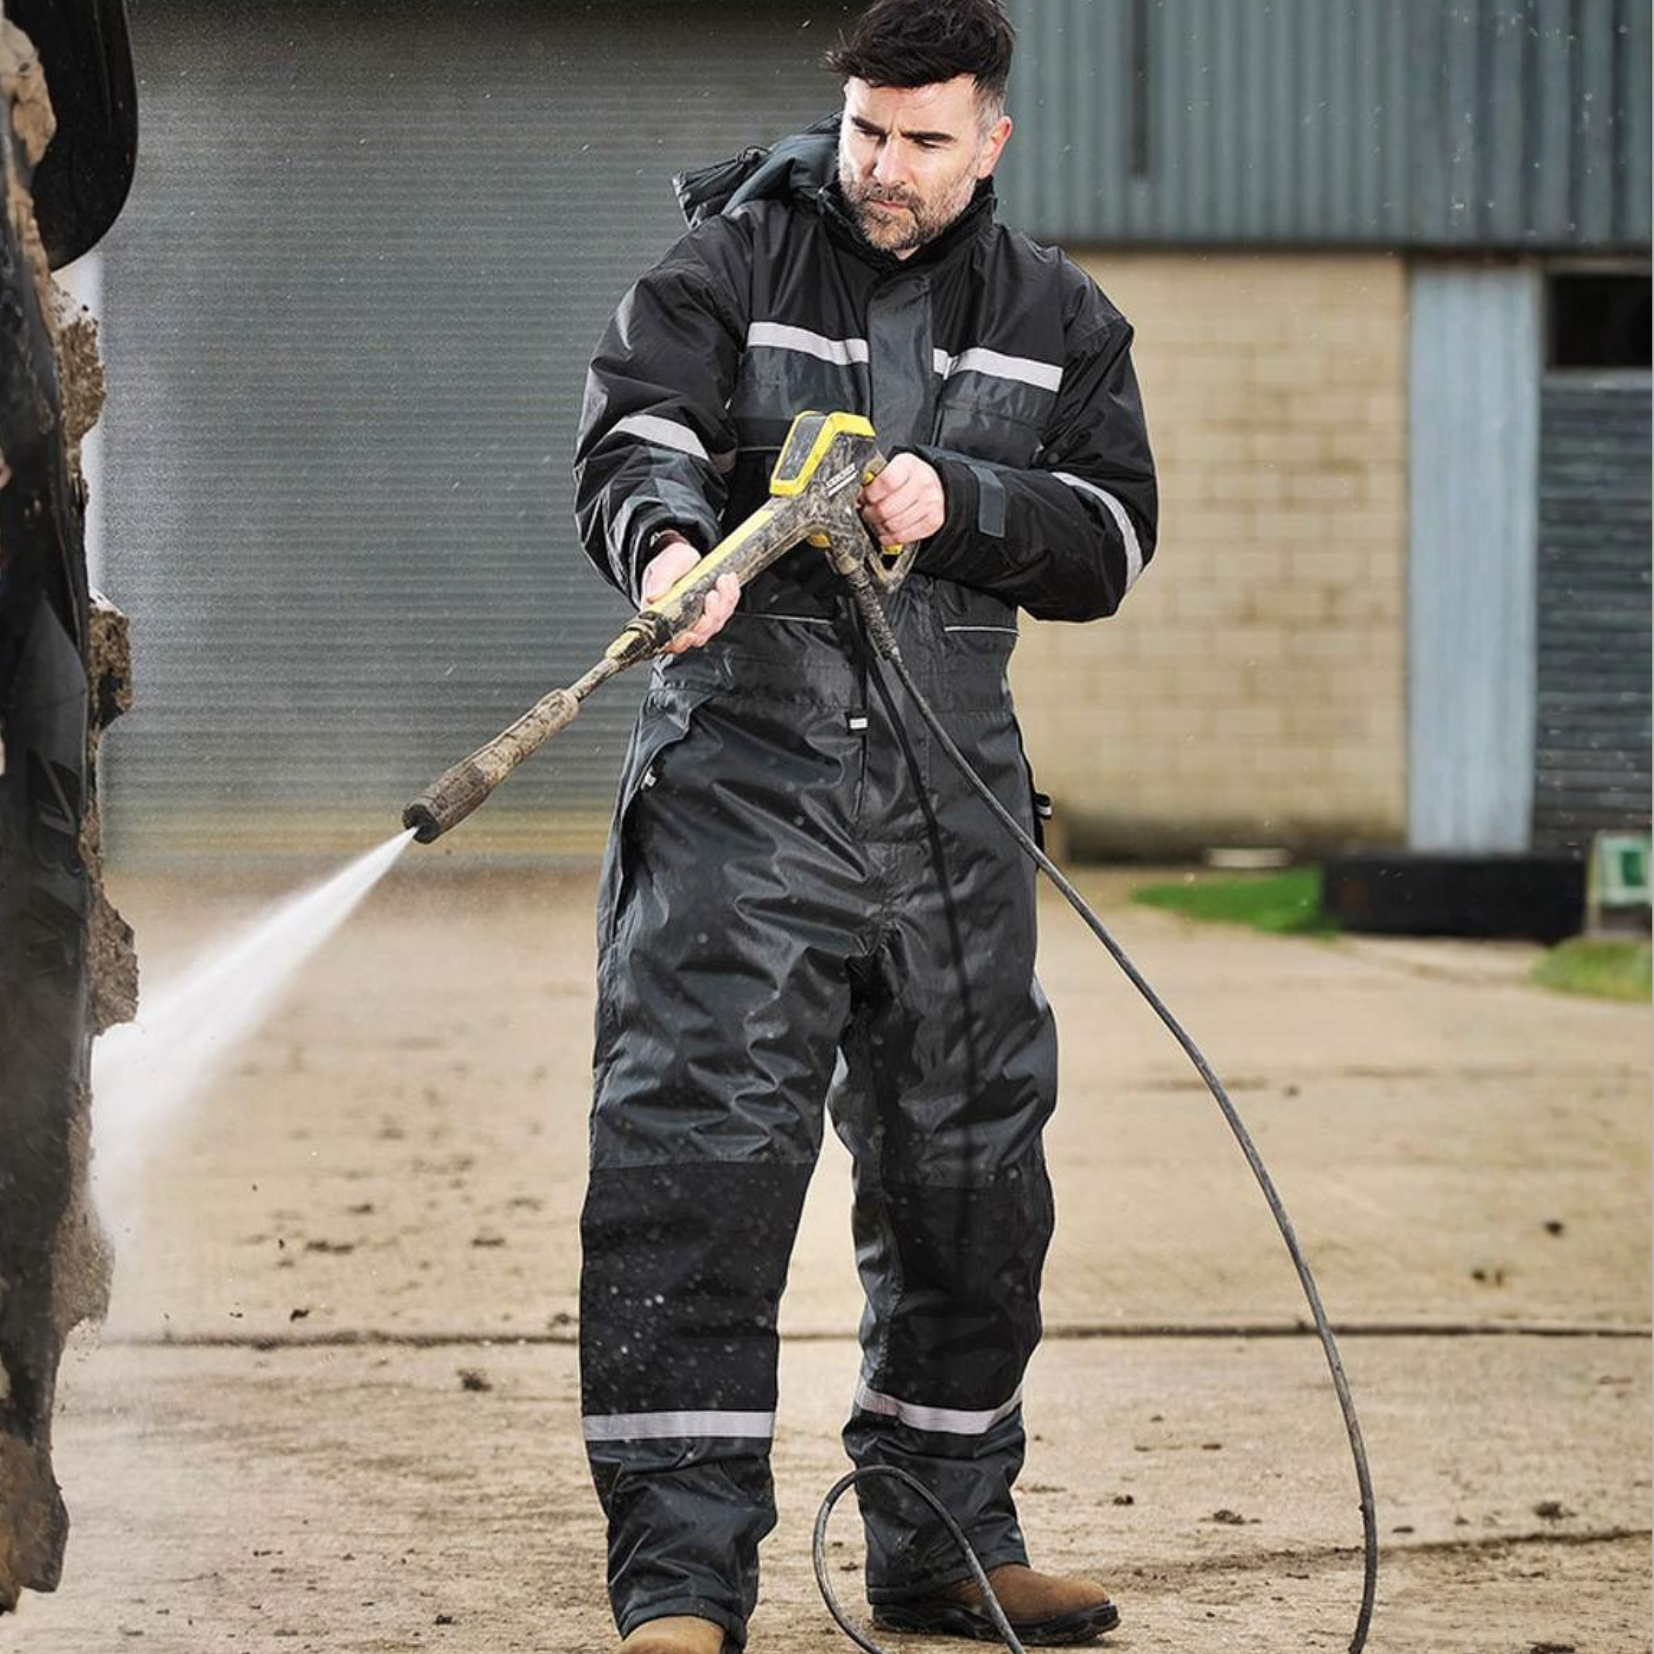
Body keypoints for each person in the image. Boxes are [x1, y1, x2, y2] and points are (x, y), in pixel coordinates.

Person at [572, 3, 1156, 1649]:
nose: (882, 168)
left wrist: (960, 501)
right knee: (697, 1164)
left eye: (920, 140)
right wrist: (666, 548)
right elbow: (633, 435)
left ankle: (945, 1538)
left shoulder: (1058, 317)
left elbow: (1112, 536)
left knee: (972, 1173)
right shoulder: (725, 270)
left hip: (952, 803)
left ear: (990, 140)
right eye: (863, 133)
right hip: (741, 797)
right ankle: (680, 1582)